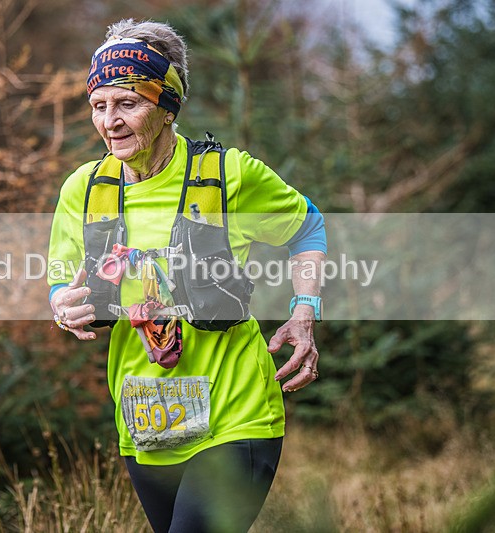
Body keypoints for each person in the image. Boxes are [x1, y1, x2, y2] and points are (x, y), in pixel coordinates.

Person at [47, 19, 326, 533]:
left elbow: (307, 227)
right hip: (147, 421)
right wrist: (63, 305)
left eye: (128, 103)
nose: (110, 121)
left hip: (236, 413)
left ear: (168, 105)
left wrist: (304, 312)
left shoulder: (229, 175)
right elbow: (62, 278)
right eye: (99, 105)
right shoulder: (83, 190)